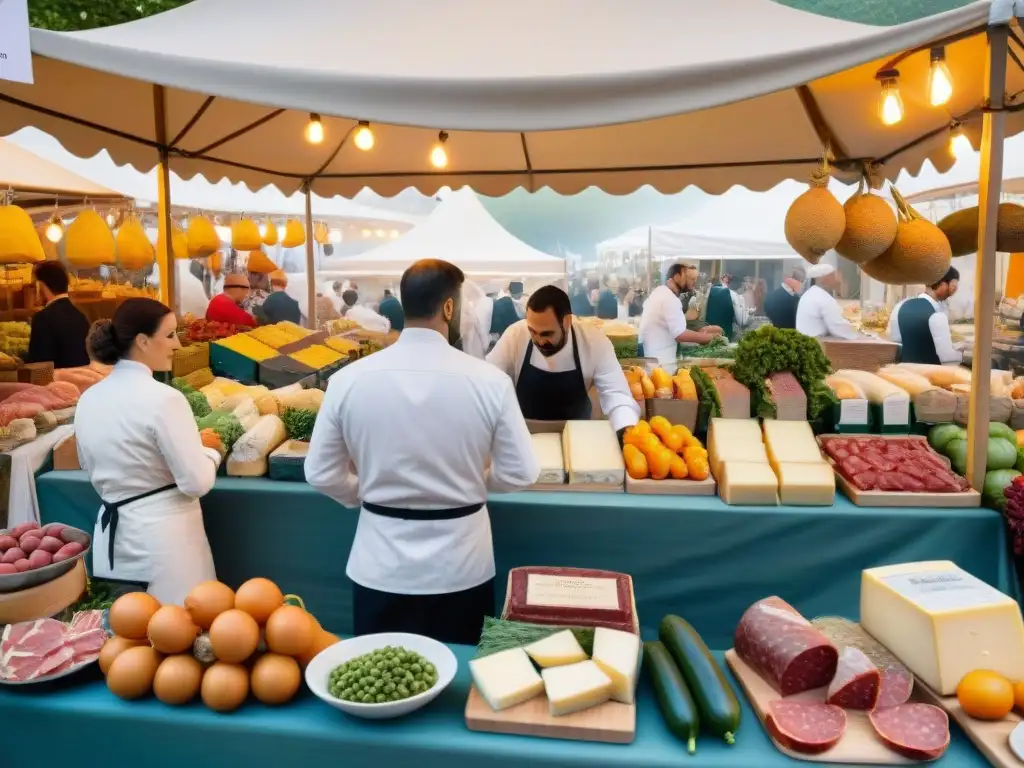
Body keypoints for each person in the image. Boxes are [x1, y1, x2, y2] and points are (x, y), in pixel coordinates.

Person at [305, 259, 539, 644]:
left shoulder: (347, 380)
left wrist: (364, 492)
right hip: (462, 564)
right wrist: (476, 482)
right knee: (458, 682)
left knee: (383, 682)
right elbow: (521, 472)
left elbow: (320, 473)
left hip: (379, 560)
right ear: (449, 308)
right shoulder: (490, 382)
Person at [74, 298, 222, 605]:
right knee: (178, 634)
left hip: (112, 542)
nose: (178, 344)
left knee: (127, 637)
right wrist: (209, 452)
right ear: (142, 341)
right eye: (169, 335)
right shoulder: (165, 399)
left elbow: (87, 467)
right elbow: (196, 483)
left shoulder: (88, 398)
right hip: (165, 543)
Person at [487, 285, 641, 431]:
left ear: (567, 322)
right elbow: (488, 384)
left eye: (547, 334)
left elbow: (617, 396)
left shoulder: (595, 342)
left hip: (578, 434)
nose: (539, 341)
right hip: (523, 432)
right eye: (533, 332)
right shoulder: (515, 336)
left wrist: (625, 430)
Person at [640, 264, 723, 366]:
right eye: (689, 278)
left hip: (653, 357)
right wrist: (709, 338)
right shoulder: (670, 298)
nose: (693, 283)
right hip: (662, 362)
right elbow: (680, 335)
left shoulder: (660, 292)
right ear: (676, 277)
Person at [887, 266, 963, 364]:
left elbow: (896, 342)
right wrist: (966, 355)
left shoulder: (900, 306)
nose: (954, 291)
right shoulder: (937, 316)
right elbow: (947, 358)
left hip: (906, 371)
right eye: (953, 286)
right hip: (932, 375)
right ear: (943, 285)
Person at [25, 261, 90, 369]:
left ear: (40, 286)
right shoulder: (81, 316)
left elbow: (38, 367)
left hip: (56, 384)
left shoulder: (43, 318)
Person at [795, 263, 861, 340]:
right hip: (814, 343)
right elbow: (838, 326)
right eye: (834, 275)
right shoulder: (822, 298)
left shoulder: (812, 293)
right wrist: (859, 334)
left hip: (808, 341)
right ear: (824, 278)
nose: (838, 278)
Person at [704, 274, 746, 341]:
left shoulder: (708, 292)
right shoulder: (734, 295)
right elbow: (741, 321)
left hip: (706, 334)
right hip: (726, 336)